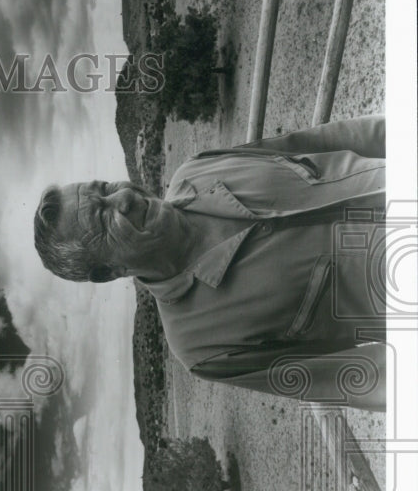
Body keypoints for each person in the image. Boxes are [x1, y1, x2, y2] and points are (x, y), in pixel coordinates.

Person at [33, 116, 387, 410]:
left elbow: (331, 140)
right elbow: (362, 379)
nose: (124, 196)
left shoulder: (198, 168)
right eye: (103, 217)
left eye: (105, 186)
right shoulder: (202, 348)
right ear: (110, 271)